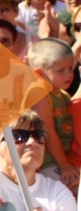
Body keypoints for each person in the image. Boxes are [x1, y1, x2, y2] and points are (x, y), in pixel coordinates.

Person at [27, 39, 78, 188]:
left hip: (64, 160)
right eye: (61, 70)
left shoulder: (63, 95)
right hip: (48, 164)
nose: (69, 74)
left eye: (71, 68)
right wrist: (65, 165)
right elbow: (47, 131)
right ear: (39, 73)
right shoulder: (40, 94)